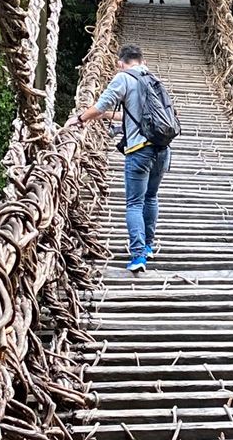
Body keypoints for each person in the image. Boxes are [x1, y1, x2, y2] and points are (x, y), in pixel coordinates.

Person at [68, 43, 170, 274]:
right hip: (162, 149)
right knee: (151, 197)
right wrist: (105, 116)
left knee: (134, 202)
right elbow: (137, 114)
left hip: (140, 151)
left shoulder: (122, 78)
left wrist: (81, 118)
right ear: (142, 61)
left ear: (119, 63)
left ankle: (138, 257)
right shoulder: (152, 78)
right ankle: (148, 245)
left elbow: (100, 105)